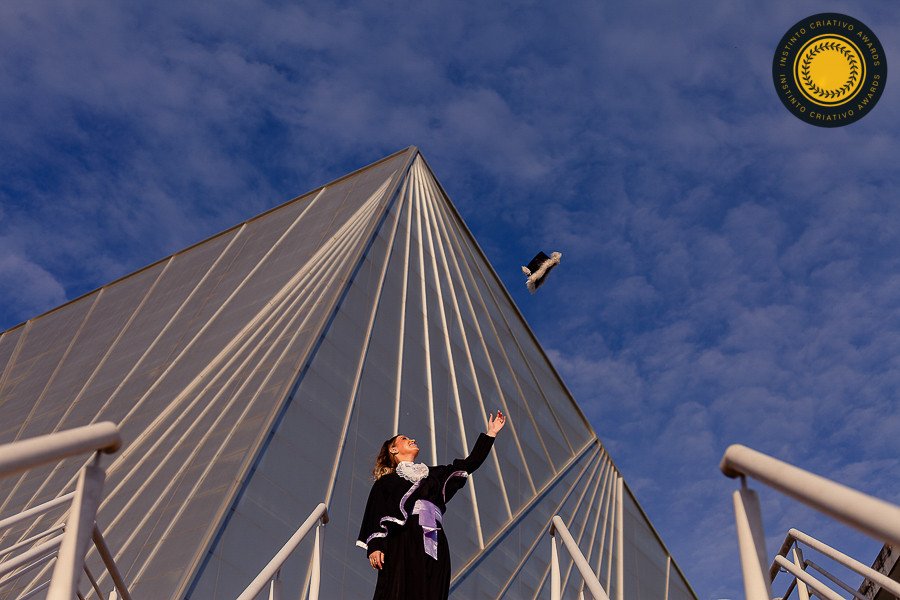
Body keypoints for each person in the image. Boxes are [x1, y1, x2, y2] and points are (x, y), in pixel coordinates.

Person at [357, 410, 507, 600]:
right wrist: (375, 546)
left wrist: (491, 434)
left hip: (435, 538)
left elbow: (469, 464)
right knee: (399, 586)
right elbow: (376, 511)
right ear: (393, 449)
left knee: (433, 589)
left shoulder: (433, 475)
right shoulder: (387, 482)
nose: (411, 439)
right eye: (404, 439)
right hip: (404, 537)